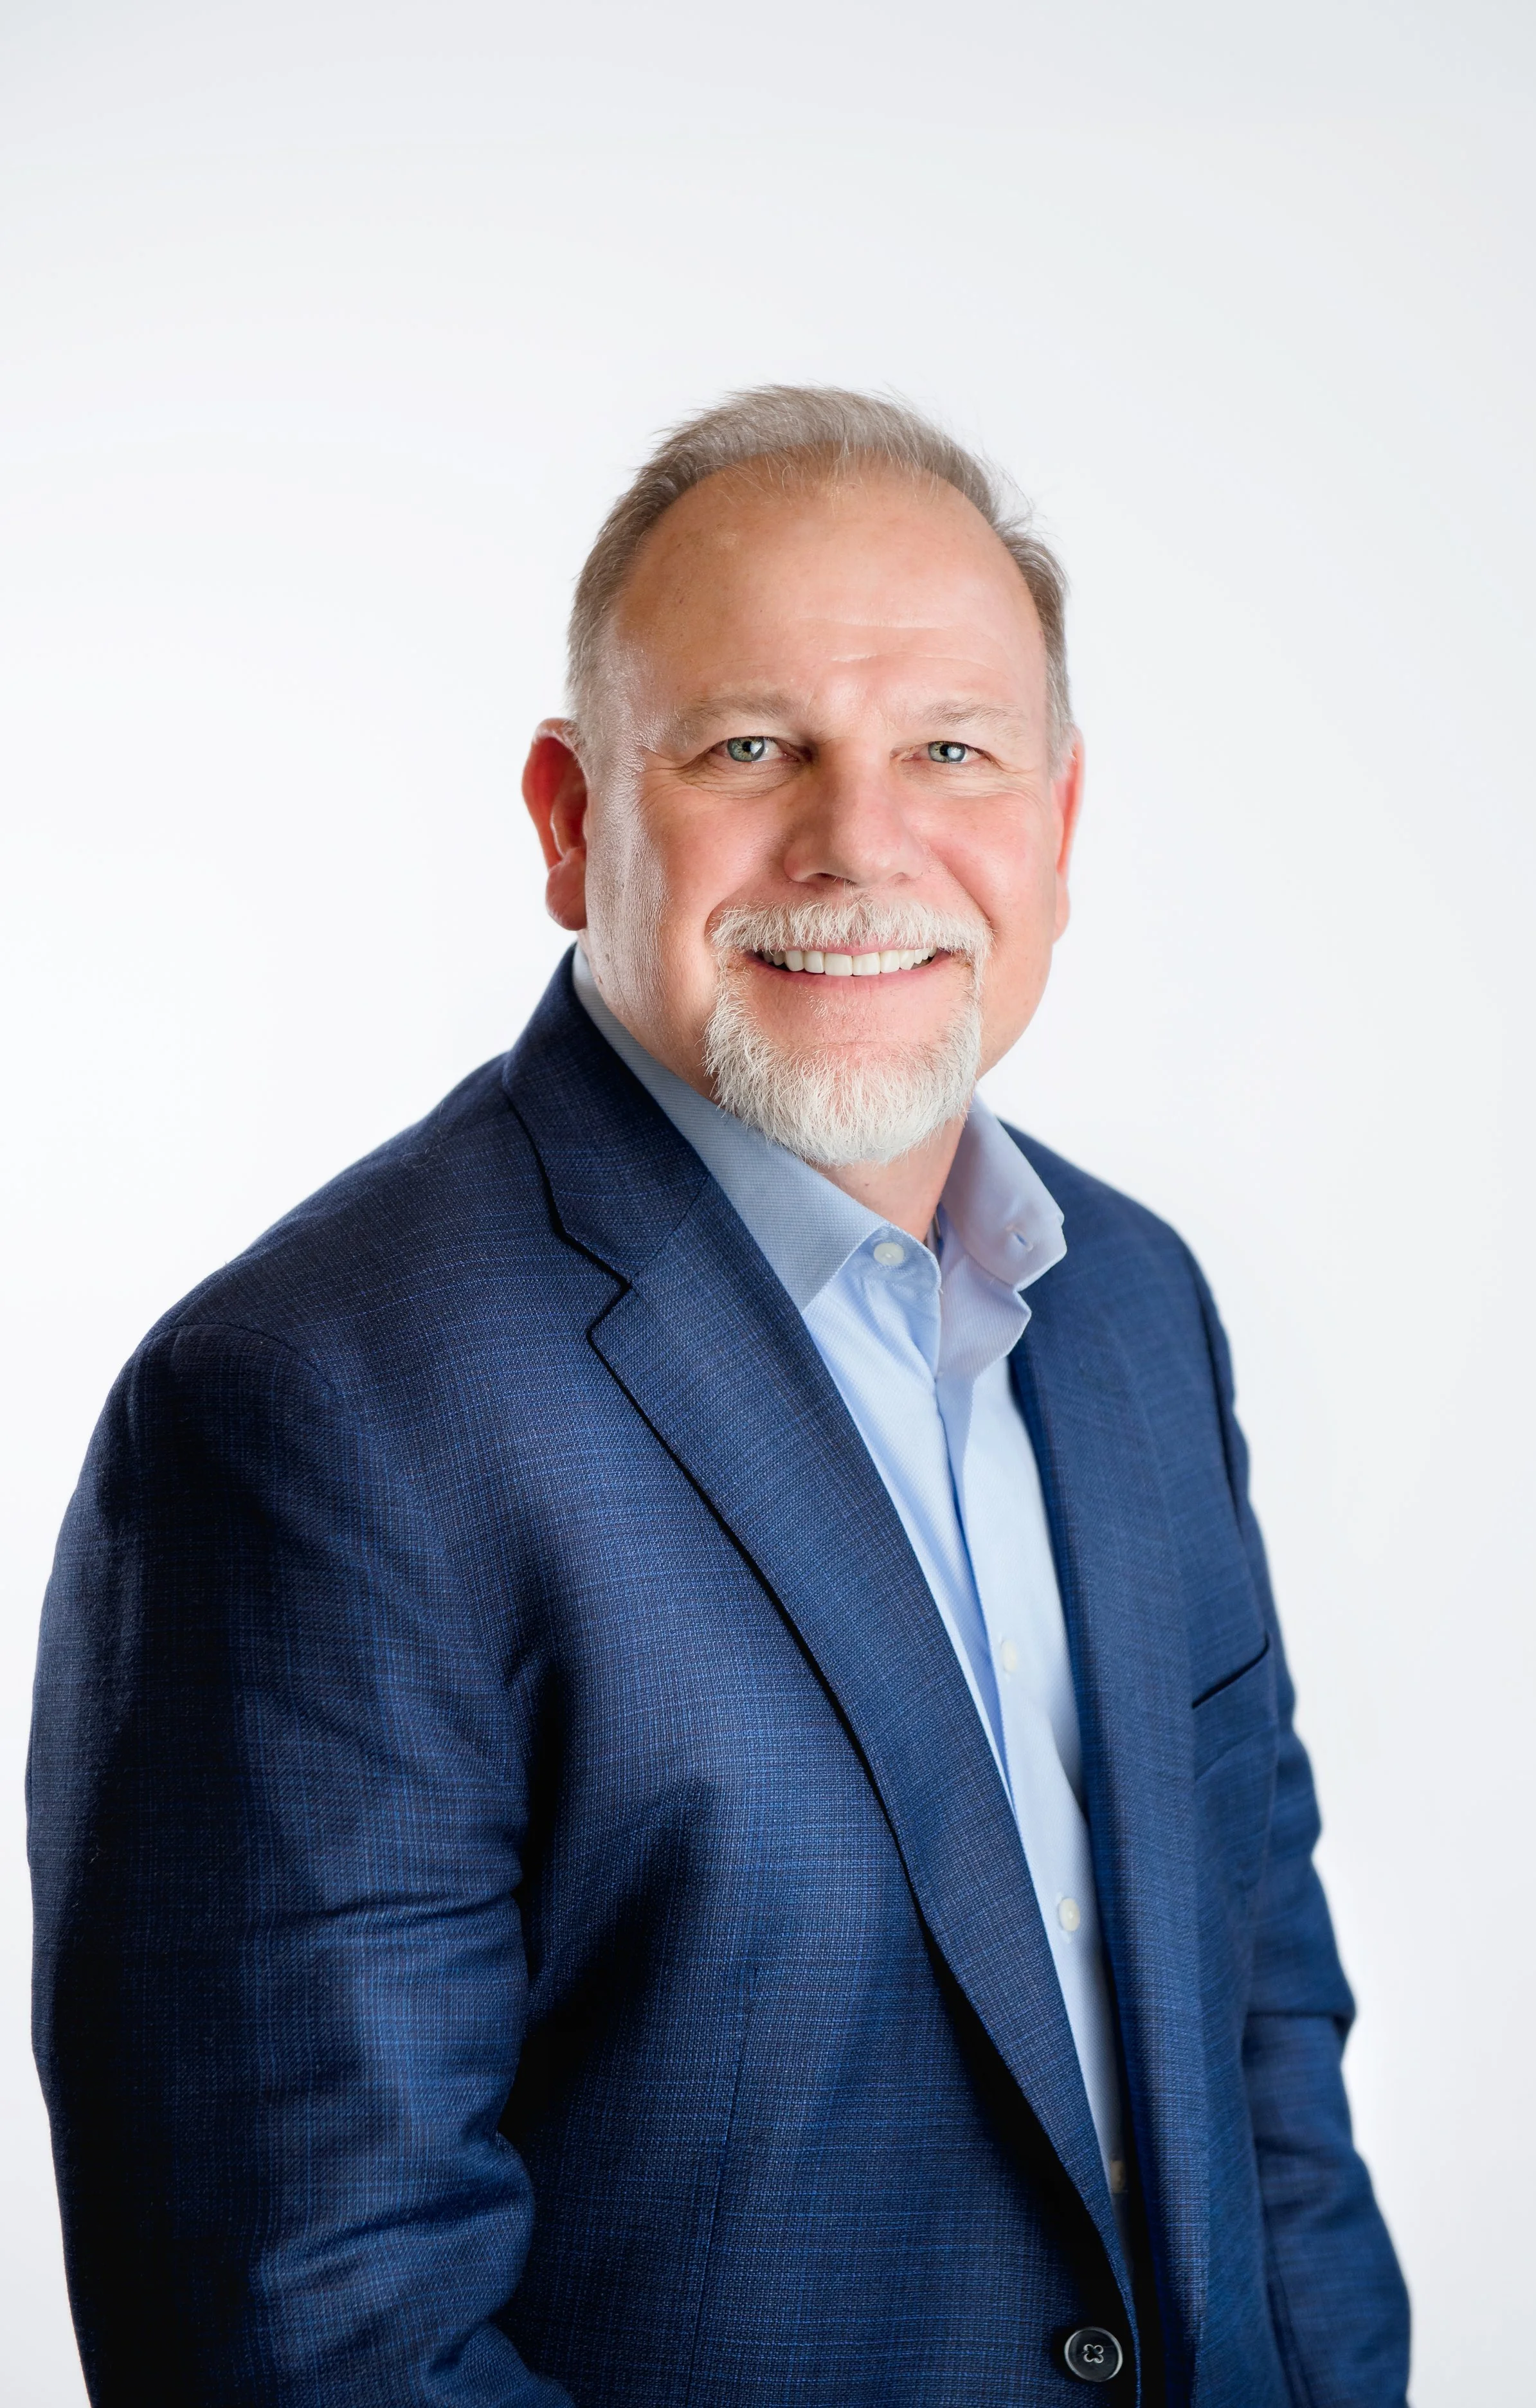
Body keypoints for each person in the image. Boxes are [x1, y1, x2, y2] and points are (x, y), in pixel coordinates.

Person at [29, 386, 1409, 2407]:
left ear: (1055, 825)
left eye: (950, 750)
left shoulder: (1130, 1310)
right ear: (570, 817)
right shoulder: (307, 1410)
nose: (861, 845)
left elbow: (1263, 2056)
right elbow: (311, 2333)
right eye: (752, 747)